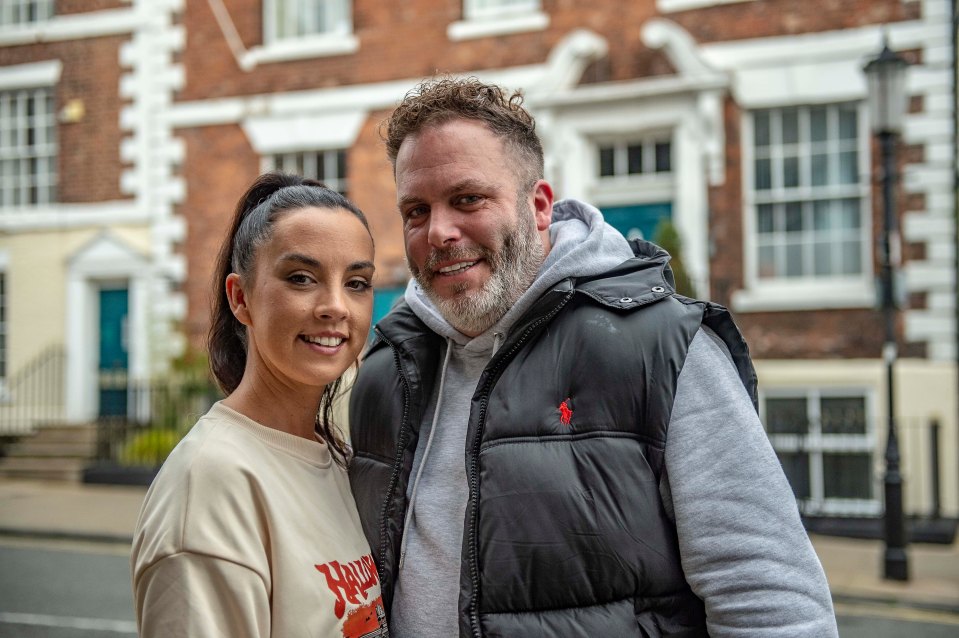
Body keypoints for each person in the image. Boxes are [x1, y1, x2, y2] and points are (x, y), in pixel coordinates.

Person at [347, 78, 838, 637]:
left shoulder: (665, 349)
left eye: (467, 200)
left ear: (537, 207)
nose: (439, 231)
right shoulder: (387, 364)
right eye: (416, 210)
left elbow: (769, 599)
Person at [131, 173, 390, 637]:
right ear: (241, 298)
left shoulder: (334, 458)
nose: (336, 306)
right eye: (301, 278)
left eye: (356, 282)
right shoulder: (210, 483)